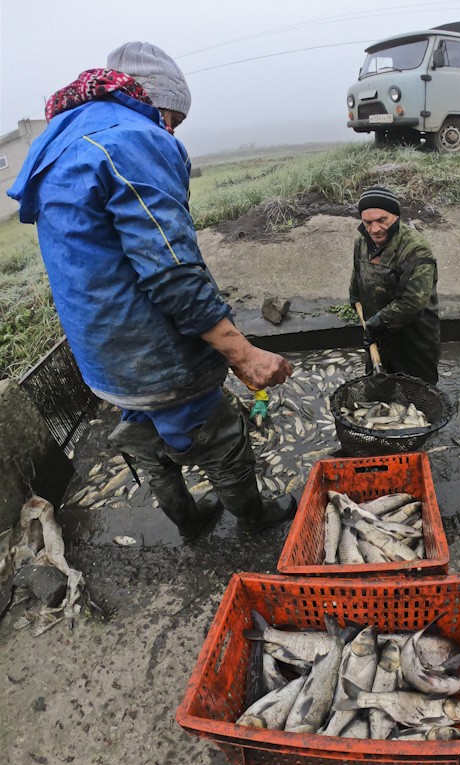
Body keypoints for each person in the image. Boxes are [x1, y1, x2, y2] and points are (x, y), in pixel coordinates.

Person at [7, 42, 297, 537]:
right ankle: (253, 518)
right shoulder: (132, 138)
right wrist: (241, 353)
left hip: (102, 358)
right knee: (218, 434)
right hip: (156, 352)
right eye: (175, 120)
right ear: (156, 100)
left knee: (144, 434)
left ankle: (187, 522)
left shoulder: (59, 140)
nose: (171, 132)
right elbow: (172, 270)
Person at [349, 186, 440, 385]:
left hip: (414, 338)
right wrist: (354, 295)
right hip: (378, 335)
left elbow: (413, 303)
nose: (374, 229)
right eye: (368, 222)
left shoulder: (416, 248)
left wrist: (377, 323)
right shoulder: (361, 240)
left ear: (396, 216)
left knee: (417, 393)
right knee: (379, 387)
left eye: (382, 221)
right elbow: (358, 272)